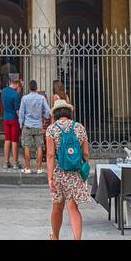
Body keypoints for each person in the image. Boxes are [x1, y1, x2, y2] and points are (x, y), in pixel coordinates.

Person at [46, 100, 91, 240]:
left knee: (57, 206)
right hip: (76, 173)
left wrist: (50, 178)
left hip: (59, 173)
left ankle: (55, 237)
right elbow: (86, 154)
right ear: (68, 112)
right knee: (73, 207)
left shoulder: (52, 129)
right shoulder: (79, 128)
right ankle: (77, 239)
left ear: (56, 113)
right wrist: (85, 169)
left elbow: (50, 155)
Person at [18, 80, 50, 174]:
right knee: (39, 147)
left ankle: (27, 168)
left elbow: (21, 112)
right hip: (38, 125)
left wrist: (21, 123)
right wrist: (46, 118)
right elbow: (48, 111)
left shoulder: (24, 98)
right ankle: (39, 168)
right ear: (36, 88)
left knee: (26, 146)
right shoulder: (41, 98)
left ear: (29, 88)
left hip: (27, 125)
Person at [1, 78, 23, 170]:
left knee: (7, 140)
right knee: (14, 141)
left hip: (6, 118)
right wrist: (21, 121)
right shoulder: (16, 95)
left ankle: (6, 162)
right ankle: (15, 162)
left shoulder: (4, 91)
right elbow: (18, 110)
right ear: (17, 85)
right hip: (14, 119)